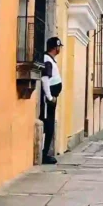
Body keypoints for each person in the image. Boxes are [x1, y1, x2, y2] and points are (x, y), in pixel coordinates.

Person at [40, 36, 63, 164]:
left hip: (52, 98)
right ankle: (44, 154)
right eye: (59, 47)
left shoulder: (50, 60)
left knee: (50, 126)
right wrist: (49, 97)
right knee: (48, 126)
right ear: (55, 47)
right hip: (49, 100)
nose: (59, 49)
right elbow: (45, 79)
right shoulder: (47, 60)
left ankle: (46, 153)